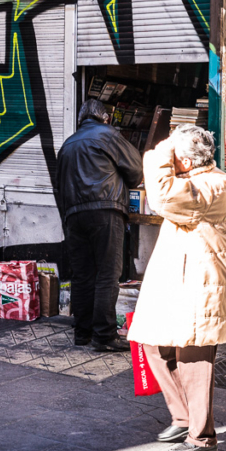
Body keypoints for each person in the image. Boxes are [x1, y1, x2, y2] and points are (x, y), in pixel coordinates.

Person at [127, 124, 226, 451]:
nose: (169, 159)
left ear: (184, 158)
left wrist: (158, 150)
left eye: (173, 154)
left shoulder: (213, 183)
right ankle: (182, 417)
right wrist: (172, 148)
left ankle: (202, 435)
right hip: (178, 283)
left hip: (201, 285)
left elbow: (162, 196)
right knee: (152, 341)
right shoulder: (195, 180)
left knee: (194, 358)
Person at [55, 99, 143, 352]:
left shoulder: (67, 144)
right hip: (105, 212)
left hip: (73, 215)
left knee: (82, 275)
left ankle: (82, 333)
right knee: (107, 274)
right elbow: (136, 171)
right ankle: (104, 336)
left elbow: (59, 185)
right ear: (104, 117)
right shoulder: (108, 135)